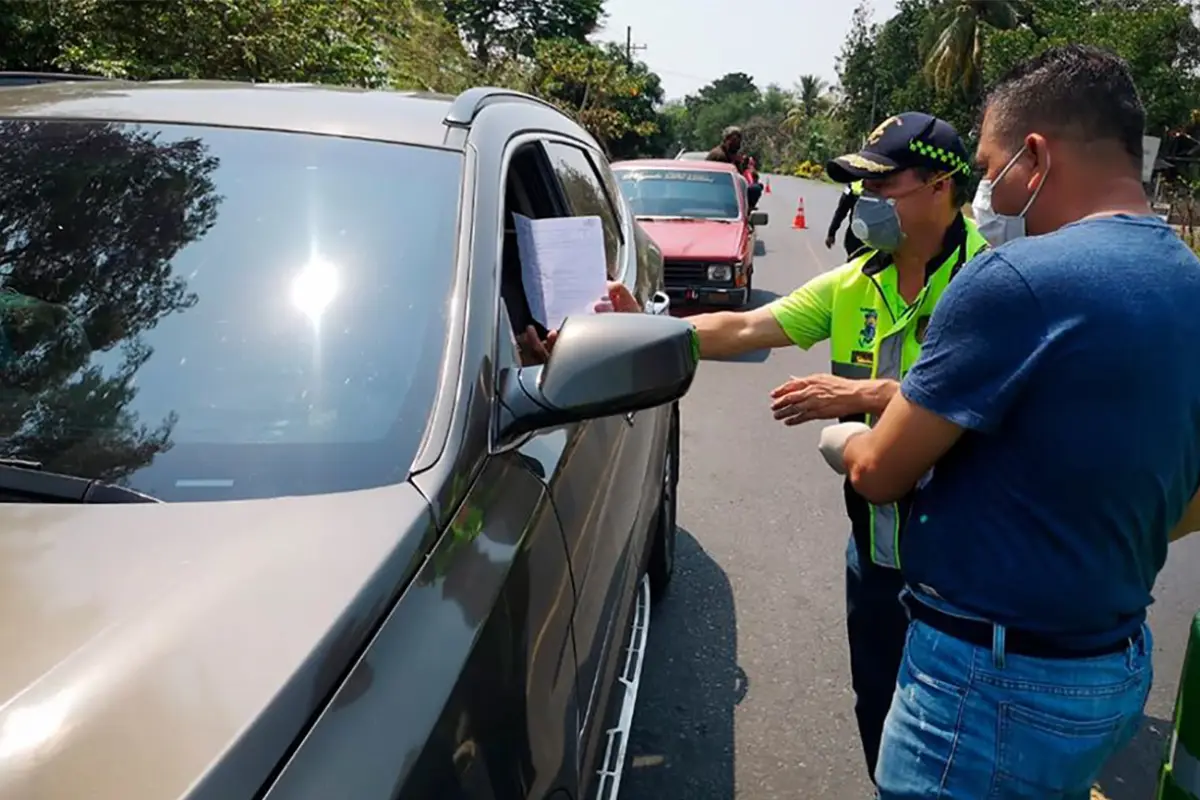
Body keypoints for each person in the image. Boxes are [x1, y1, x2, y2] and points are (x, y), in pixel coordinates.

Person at [816, 45, 1200, 797]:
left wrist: (846, 438)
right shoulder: (1186, 281)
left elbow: (880, 473)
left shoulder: (1016, 280)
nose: (985, 191)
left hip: (989, 684)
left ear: (1034, 157)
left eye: (989, 169)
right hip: (1111, 665)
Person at [613, 112, 987, 781]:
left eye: (882, 186)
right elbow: (746, 326)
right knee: (879, 714)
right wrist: (644, 330)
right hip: (874, 553)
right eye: (859, 189)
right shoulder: (856, 282)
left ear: (939, 184)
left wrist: (869, 396)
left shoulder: (995, 282)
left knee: (956, 745)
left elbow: (999, 409)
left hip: (966, 575)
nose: (865, 203)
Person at [708, 125, 763, 210]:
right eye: (733, 140)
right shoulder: (719, 155)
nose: (736, 143)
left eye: (738, 140)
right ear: (726, 140)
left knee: (756, 187)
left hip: (732, 188)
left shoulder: (733, 155)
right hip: (720, 189)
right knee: (754, 189)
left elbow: (740, 175)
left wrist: (746, 168)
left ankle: (747, 209)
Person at [826, 180, 865, 259]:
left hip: (858, 235)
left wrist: (831, 233)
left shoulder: (854, 185)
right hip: (861, 237)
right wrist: (832, 232)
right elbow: (841, 210)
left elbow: (841, 210)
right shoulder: (889, 183)